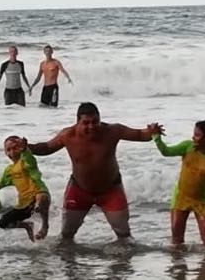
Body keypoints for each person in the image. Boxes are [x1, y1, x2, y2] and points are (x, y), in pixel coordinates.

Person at [26, 101, 163, 241]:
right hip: (79, 189)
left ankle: (123, 262)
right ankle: (68, 263)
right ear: (78, 121)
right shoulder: (67, 135)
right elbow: (47, 147)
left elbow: (140, 134)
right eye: (86, 122)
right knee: (66, 235)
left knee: (124, 235)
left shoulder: (113, 131)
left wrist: (152, 132)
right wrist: (27, 147)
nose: (91, 126)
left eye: (95, 121)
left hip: (111, 190)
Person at [0, 135, 51, 241]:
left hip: (38, 194)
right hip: (24, 203)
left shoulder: (27, 162)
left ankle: (45, 226)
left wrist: (25, 150)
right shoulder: (9, 170)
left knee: (41, 198)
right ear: (5, 153)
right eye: (8, 150)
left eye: (15, 148)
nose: (12, 152)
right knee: (3, 223)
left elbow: (29, 158)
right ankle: (27, 226)